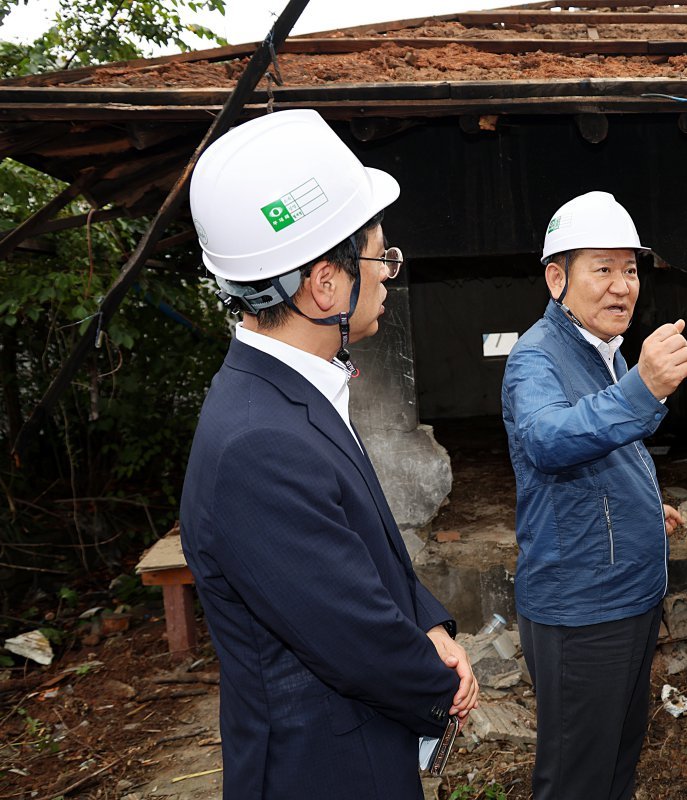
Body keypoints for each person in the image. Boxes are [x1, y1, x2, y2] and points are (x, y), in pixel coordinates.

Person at [179, 110, 478, 800]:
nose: (386, 275)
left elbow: (360, 548)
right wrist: (442, 686)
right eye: (378, 257)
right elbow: (350, 635)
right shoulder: (258, 444)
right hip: (322, 769)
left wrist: (428, 620)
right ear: (324, 284)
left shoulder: (290, 389)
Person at [501, 191, 687, 800]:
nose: (622, 286)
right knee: (577, 776)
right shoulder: (537, 356)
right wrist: (643, 389)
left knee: (617, 757)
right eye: (602, 268)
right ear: (557, 278)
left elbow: (608, 446)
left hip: (627, 595)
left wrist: (641, 506)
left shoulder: (600, 348)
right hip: (582, 609)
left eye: (630, 269)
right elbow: (549, 439)